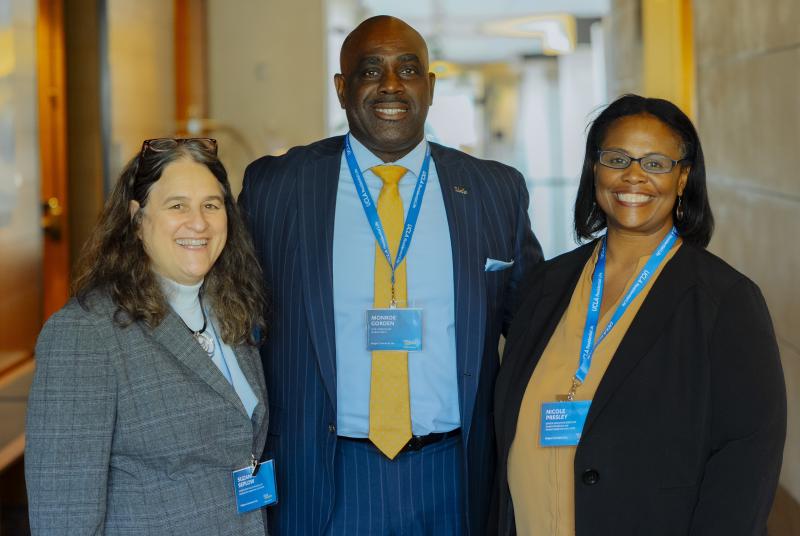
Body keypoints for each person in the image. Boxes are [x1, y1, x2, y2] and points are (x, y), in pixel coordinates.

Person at [238, 15, 542, 535]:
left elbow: (536, 328)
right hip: (325, 475)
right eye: (370, 70)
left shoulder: (496, 191)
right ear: (341, 88)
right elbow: (234, 316)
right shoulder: (277, 188)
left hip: (454, 474)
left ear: (430, 87)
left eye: (408, 69)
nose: (392, 85)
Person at [493, 94, 786, 535]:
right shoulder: (546, 284)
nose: (633, 176)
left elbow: (747, 460)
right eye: (617, 159)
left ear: (683, 177)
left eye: (655, 163)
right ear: (595, 169)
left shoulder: (725, 301)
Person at [25, 138, 271, 535]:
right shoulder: (85, 333)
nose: (199, 223)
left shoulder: (232, 309)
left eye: (211, 205)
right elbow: (63, 517)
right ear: (137, 219)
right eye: (177, 206)